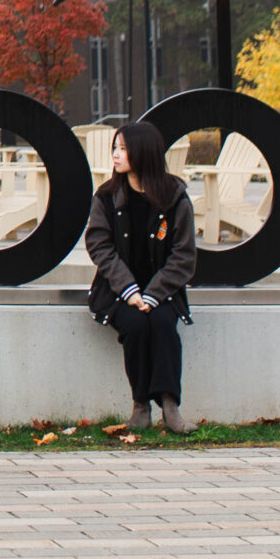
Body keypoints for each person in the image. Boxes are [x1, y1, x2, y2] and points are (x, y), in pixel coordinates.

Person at [85, 121, 198, 434]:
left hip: (164, 291)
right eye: (115, 148)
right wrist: (130, 291)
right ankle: (140, 406)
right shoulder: (107, 196)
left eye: (123, 148)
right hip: (117, 290)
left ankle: (170, 407)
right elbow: (99, 244)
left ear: (144, 152)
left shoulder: (175, 197)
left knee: (162, 324)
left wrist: (153, 294)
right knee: (135, 326)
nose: (116, 155)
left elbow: (184, 255)